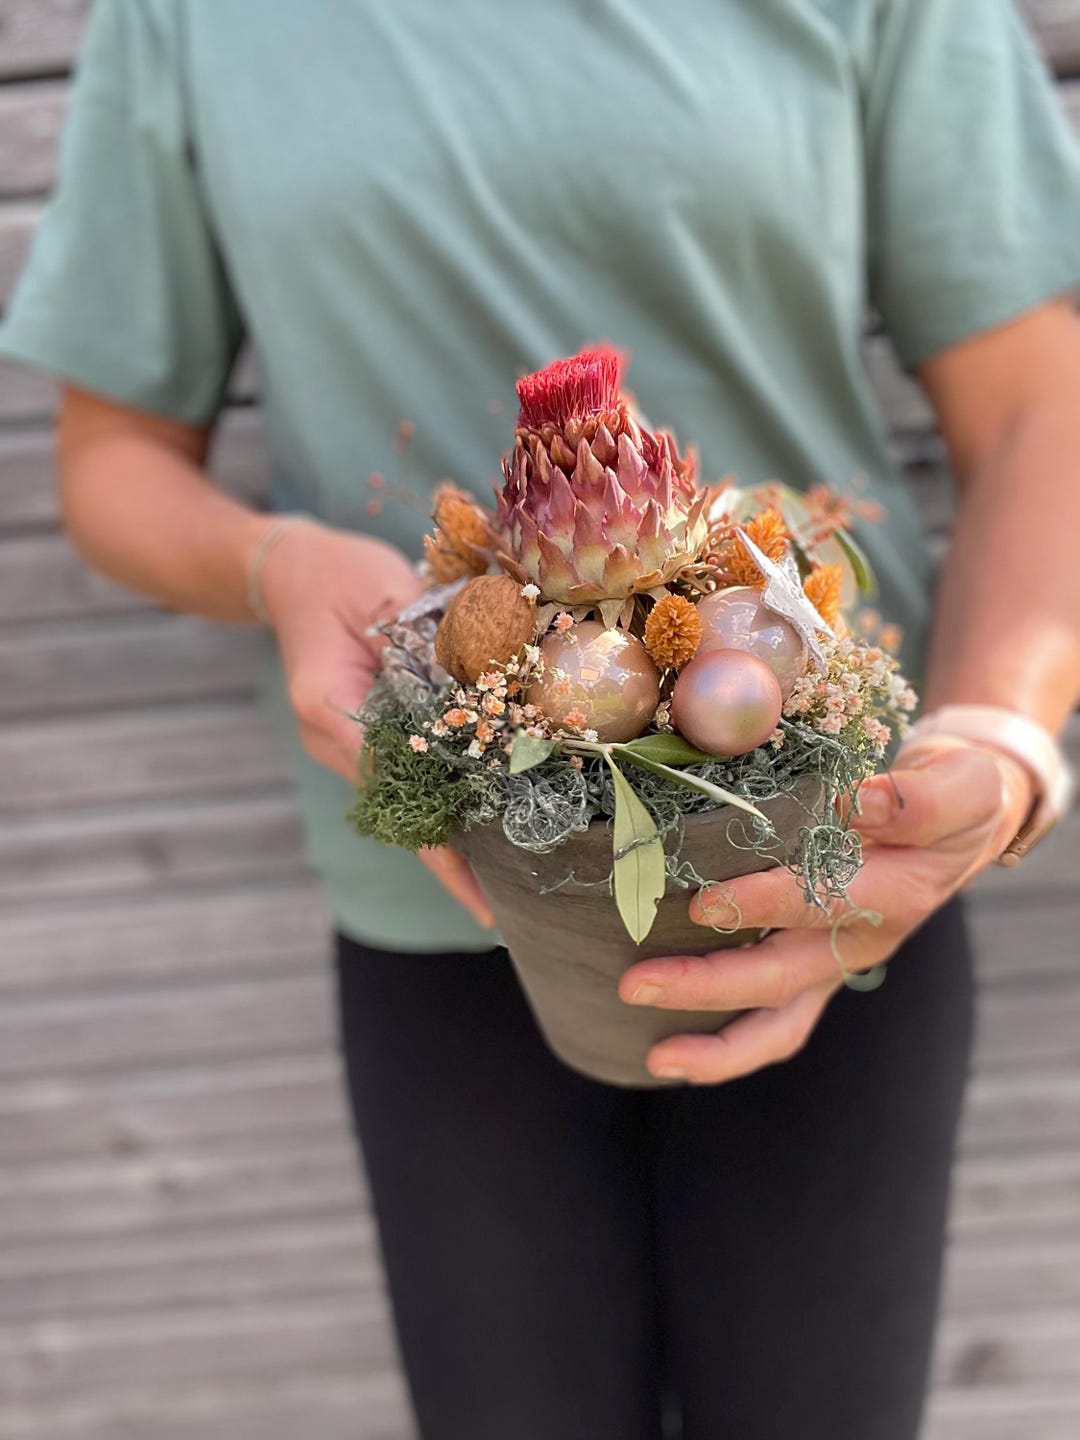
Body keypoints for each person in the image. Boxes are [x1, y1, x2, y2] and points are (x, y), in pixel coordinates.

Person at [3, 2, 1080, 1436]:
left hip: (829, 892)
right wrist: (274, 565)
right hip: (439, 928)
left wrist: (1003, 748)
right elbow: (114, 456)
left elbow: (1036, 408)